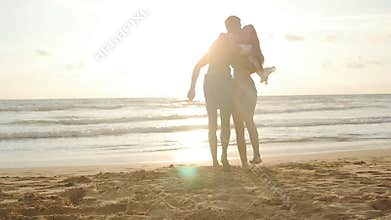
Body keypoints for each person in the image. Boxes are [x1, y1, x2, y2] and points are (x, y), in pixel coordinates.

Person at [187, 34, 234, 169]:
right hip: (222, 83)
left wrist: (192, 88)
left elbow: (197, 66)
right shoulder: (228, 52)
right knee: (223, 123)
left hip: (211, 83)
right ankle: (222, 156)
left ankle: (216, 160)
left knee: (213, 123)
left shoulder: (212, 53)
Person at [225, 16, 263, 166]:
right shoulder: (247, 46)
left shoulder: (235, 43)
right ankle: (254, 156)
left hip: (240, 86)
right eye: (238, 25)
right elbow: (254, 65)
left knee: (241, 125)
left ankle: (247, 161)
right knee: (248, 122)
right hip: (247, 84)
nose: (240, 27)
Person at [225, 16, 274, 84]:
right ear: (232, 26)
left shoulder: (243, 33)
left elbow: (250, 49)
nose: (240, 27)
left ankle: (261, 72)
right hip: (242, 69)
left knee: (250, 52)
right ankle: (262, 72)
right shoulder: (229, 37)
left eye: (240, 24)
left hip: (247, 62)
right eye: (238, 25)